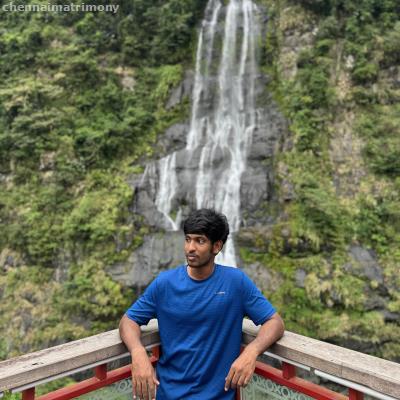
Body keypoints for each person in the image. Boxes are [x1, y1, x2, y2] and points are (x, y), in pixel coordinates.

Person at [119, 208, 284, 400]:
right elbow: (128, 320)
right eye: (188, 239)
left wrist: (251, 352)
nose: (190, 248)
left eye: (200, 241)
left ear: (217, 246)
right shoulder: (164, 283)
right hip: (168, 394)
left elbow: (275, 322)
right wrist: (138, 352)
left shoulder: (236, 283)